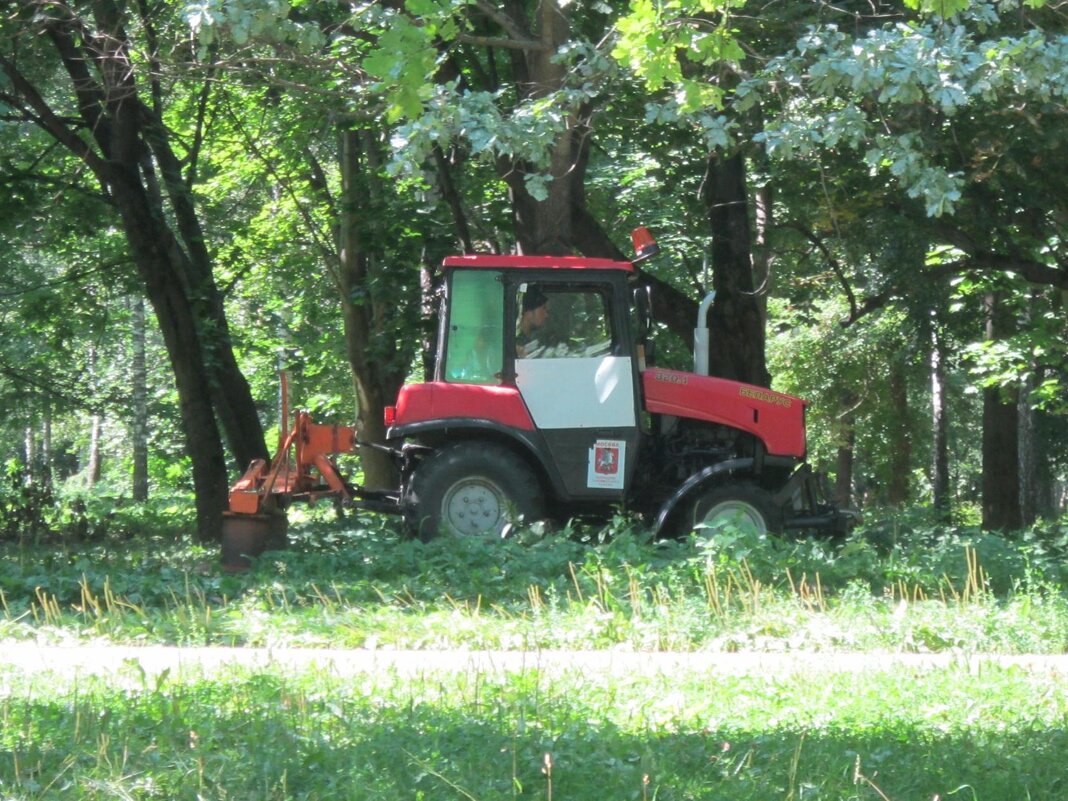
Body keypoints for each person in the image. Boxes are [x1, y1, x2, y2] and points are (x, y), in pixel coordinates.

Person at [516, 286, 549, 357]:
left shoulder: (532, 340)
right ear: (529, 312)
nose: (546, 315)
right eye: (543, 308)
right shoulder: (516, 345)